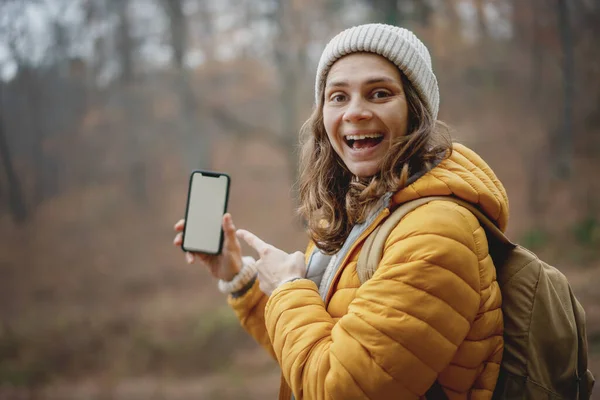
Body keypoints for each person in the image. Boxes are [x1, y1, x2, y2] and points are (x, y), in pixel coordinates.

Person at [173, 23, 507, 400]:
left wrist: (288, 287)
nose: (355, 112)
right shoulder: (360, 217)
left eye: (379, 93)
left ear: (416, 111)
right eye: (337, 97)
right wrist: (240, 279)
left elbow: (340, 386)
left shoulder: (436, 233)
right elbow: (310, 353)